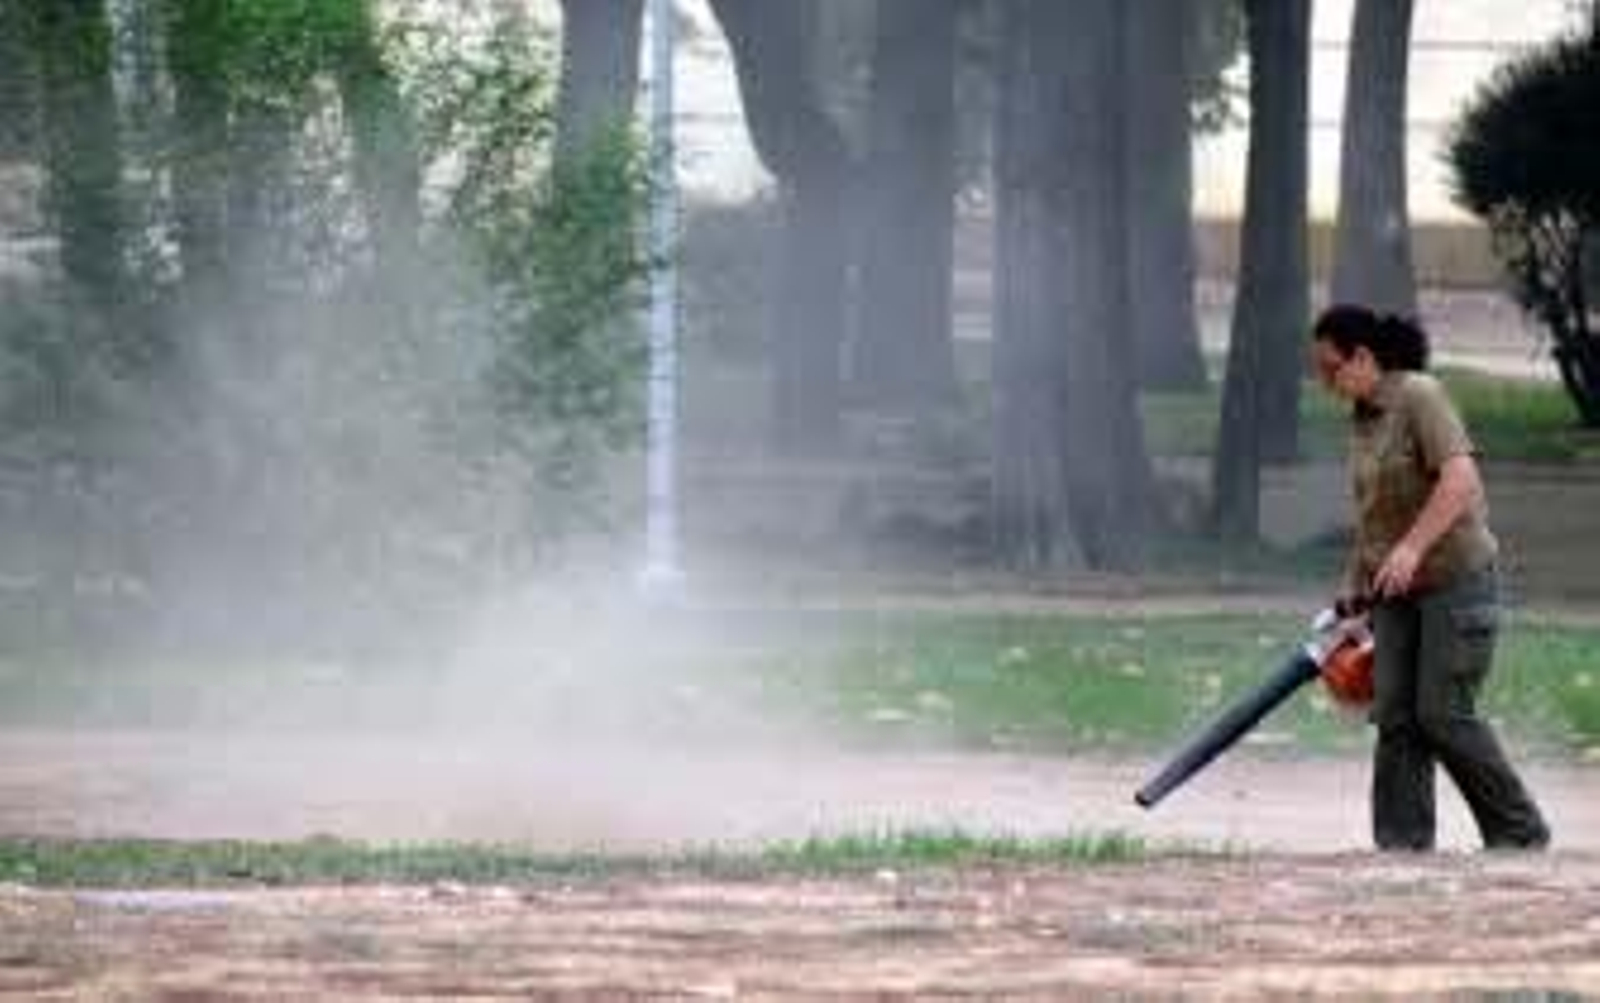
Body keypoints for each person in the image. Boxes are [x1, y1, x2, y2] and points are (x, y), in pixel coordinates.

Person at [1310, 304, 1550, 852]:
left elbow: (1460, 479)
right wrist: (1353, 586)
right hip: (1396, 593)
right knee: (1395, 717)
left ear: (1363, 356)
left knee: (1442, 714)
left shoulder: (1420, 396)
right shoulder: (1363, 419)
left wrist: (1413, 548)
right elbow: (1374, 515)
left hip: (1455, 582)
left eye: (1331, 368)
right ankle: (1402, 847)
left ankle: (1519, 833)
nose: (1325, 383)